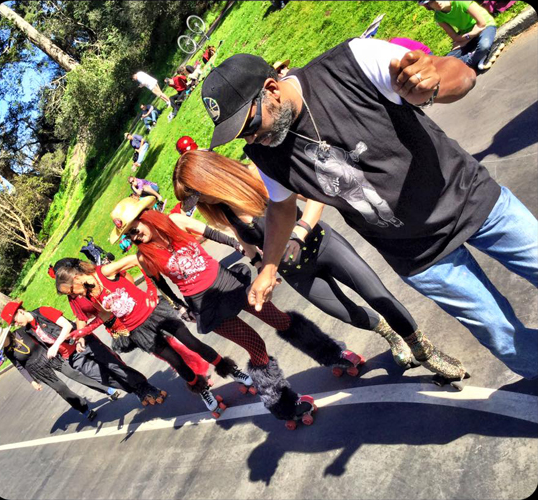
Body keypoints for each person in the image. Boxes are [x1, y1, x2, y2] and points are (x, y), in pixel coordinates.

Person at [200, 39, 538, 381]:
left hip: (472, 201)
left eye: (251, 126)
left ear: (271, 89)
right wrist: (269, 267)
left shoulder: (352, 63)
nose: (251, 141)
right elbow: (281, 207)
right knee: (505, 339)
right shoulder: (265, 153)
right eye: (240, 137)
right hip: (420, 257)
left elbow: (461, 74)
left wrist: (431, 87)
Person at [173, 148, 477, 387]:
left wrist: (300, 231)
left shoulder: (258, 176)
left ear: (209, 177)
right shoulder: (223, 210)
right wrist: (259, 265)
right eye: (193, 200)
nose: (200, 203)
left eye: (196, 195)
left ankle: (424, 350)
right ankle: (391, 335)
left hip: (323, 245)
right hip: (296, 273)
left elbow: (315, 197)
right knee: (345, 312)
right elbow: (247, 239)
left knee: (377, 295)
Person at [105, 196, 364, 426]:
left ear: (146, 217)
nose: (133, 237)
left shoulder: (177, 222)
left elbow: (216, 234)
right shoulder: (144, 257)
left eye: (133, 229)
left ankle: (333, 354)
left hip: (230, 284)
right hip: (208, 306)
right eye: (128, 235)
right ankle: (284, 406)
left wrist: (245, 250)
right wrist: (180, 306)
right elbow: (161, 285)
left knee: (282, 320)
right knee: (256, 346)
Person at [54, 253, 254, 418]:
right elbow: (106, 315)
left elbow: (137, 258)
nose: (74, 295)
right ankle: (203, 392)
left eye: (71, 289)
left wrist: (151, 289)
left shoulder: (104, 272)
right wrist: (84, 331)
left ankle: (232, 370)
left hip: (155, 312)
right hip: (138, 330)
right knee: (176, 362)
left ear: (76, 277)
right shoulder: (89, 293)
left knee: (193, 344)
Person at [50, 259, 212, 403]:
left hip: (135, 312)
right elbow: (80, 317)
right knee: (164, 353)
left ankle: (199, 372)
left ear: (72, 275)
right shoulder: (73, 296)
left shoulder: (97, 275)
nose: (68, 289)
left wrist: (136, 295)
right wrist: (81, 336)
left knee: (173, 344)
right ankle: (192, 376)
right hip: (120, 327)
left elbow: (128, 279)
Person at [0, 300, 132, 402]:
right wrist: (32, 380)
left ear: (20, 312)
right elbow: (21, 364)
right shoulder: (27, 330)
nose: (15, 325)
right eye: (13, 324)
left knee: (114, 365)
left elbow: (68, 325)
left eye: (14, 321)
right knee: (97, 375)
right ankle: (128, 389)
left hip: (82, 343)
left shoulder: (42, 312)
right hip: (69, 356)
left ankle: (138, 386)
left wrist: (56, 346)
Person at [0, 320, 98, 421]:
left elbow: (40, 338)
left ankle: (106, 389)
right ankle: (85, 410)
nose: (1, 346)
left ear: (5, 336)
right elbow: (19, 367)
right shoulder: (8, 352)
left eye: (0, 342)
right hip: (38, 370)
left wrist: (56, 348)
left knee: (73, 373)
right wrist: (32, 381)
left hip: (48, 356)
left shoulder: (21, 331)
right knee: (61, 389)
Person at [419, 1, 502, 71]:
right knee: (448, 59)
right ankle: (478, 56)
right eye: (432, 1)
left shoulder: (461, 1)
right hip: (467, 34)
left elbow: (482, 24)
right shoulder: (438, 17)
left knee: (484, 45)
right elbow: (455, 37)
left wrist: (466, 39)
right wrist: (467, 37)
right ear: (429, 6)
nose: (437, 1)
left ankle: (469, 63)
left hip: (486, 26)